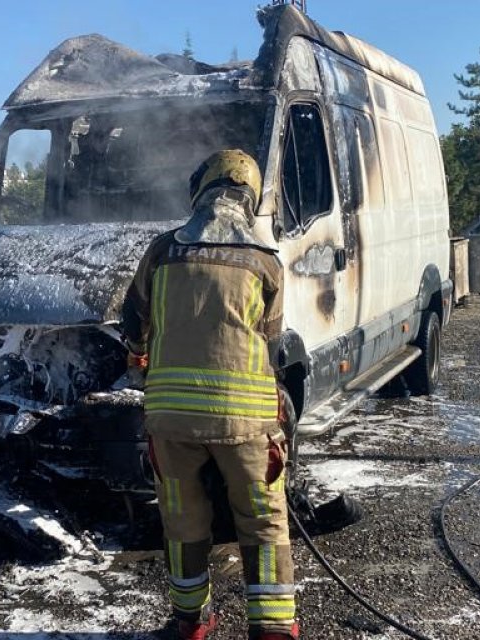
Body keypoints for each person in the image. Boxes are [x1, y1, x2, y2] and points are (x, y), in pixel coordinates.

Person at [121, 149, 297, 640]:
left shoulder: (160, 252)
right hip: (247, 425)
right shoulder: (266, 263)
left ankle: (190, 624)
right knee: (262, 523)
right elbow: (273, 346)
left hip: (171, 421)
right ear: (248, 199)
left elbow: (133, 322)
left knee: (182, 522)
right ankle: (273, 630)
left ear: (199, 193)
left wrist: (139, 355)